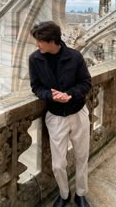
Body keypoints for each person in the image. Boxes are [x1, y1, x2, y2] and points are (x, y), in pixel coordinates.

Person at [29, 21, 91, 207]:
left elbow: (86, 83)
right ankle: (64, 194)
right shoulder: (35, 59)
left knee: (81, 157)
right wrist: (51, 96)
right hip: (55, 116)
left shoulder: (75, 56)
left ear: (52, 41)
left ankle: (81, 194)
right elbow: (36, 87)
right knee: (58, 164)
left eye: (40, 41)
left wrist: (69, 95)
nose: (37, 45)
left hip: (78, 113)